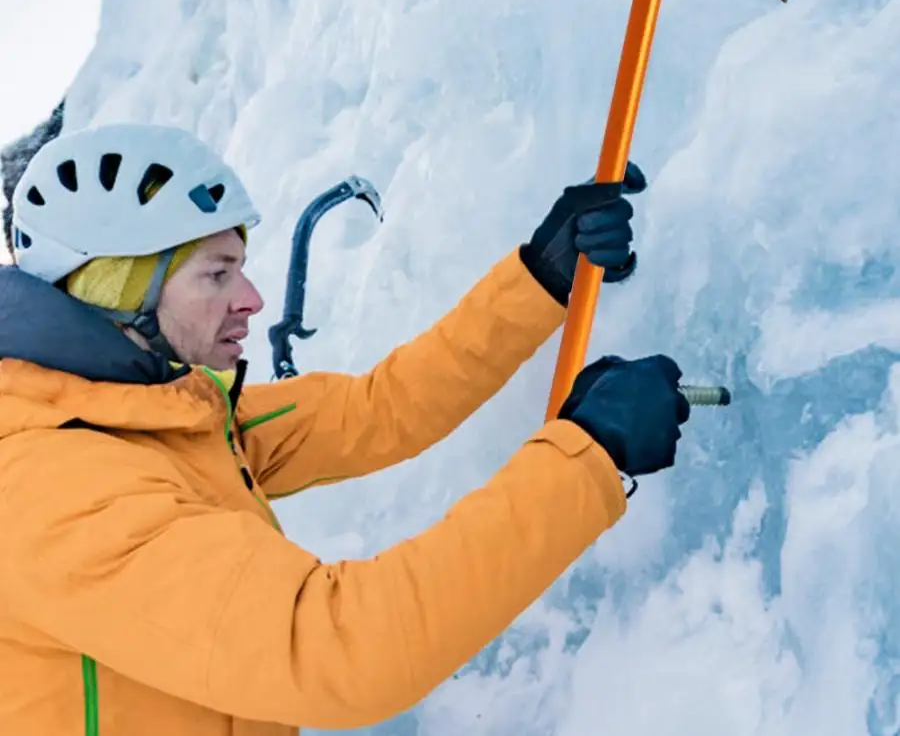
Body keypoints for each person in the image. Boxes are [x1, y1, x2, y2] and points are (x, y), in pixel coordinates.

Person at [0, 122, 690, 735]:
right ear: (120, 291)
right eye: (217, 275)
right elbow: (339, 649)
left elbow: (380, 409)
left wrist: (541, 276)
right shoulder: (54, 491)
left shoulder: (163, 415)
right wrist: (587, 456)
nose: (251, 300)